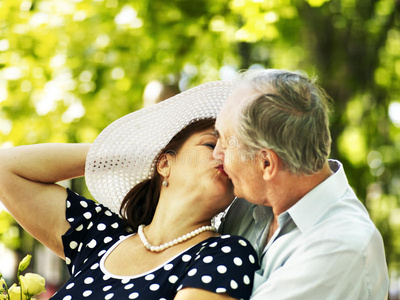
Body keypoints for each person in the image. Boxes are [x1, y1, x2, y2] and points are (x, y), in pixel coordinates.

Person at [0, 81, 259, 300]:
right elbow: (5, 169)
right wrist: (123, 155)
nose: (224, 155)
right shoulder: (100, 236)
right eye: (211, 143)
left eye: (236, 153)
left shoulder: (224, 253)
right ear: (165, 163)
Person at [213, 69, 389, 299]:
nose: (217, 154)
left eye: (226, 143)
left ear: (266, 163)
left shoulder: (342, 247)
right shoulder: (248, 204)